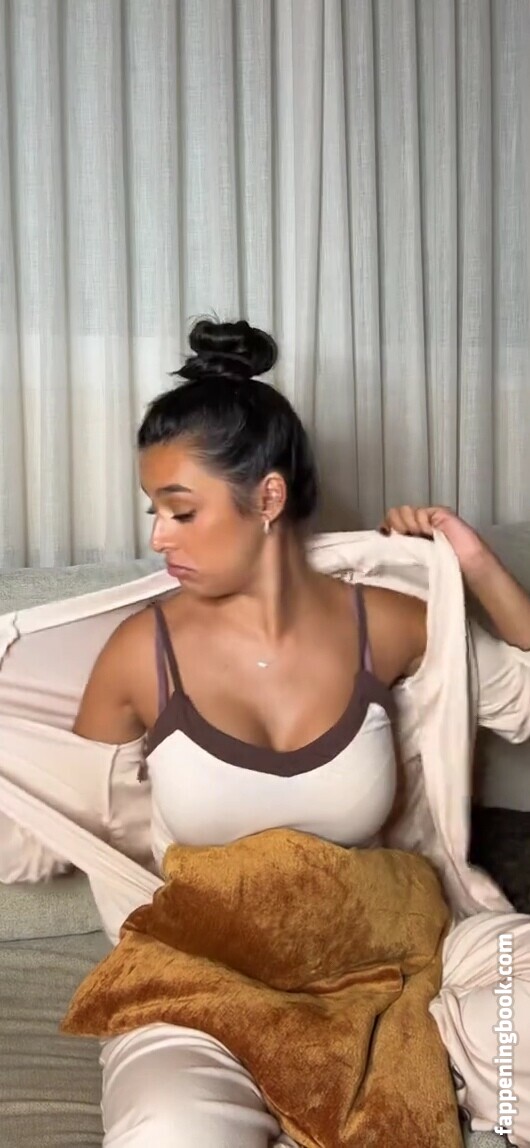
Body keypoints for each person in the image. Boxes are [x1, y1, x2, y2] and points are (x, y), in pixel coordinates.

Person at [74, 318, 530, 1147]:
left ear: (268, 500)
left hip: (408, 952)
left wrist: (469, 561)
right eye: (154, 511)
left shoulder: (387, 623)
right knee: (167, 1131)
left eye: (180, 511)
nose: (157, 537)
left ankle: (452, 1081)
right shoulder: (138, 653)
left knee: (522, 1010)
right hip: (204, 976)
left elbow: (525, 700)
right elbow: (72, 807)